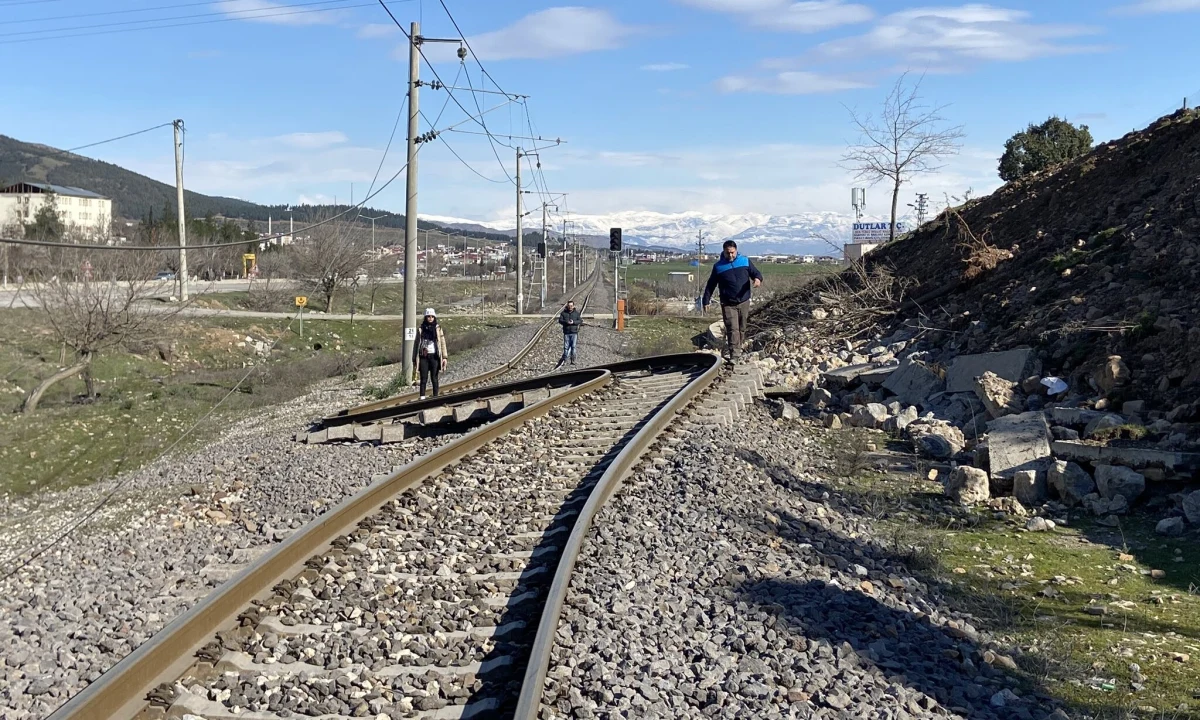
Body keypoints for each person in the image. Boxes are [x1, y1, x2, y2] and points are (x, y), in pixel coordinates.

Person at [701, 239, 763, 361]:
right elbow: (711, 285)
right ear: (723, 252)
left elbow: (756, 273)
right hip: (728, 303)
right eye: (727, 253)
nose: (730, 255)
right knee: (732, 328)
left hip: (744, 300)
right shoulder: (718, 267)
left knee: (741, 327)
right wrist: (706, 300)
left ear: (736, 251)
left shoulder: (744, 261)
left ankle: (738, 349)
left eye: (732, 252)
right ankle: (734, 354)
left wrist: (757, 279)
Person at [413, 307, 448, 399]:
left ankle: (435, 397)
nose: (430, 318)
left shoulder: (438, 329)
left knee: (434, 378)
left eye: (432, 316)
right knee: (423, 378)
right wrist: (414, 359)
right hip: (423, 357)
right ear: (425, 317)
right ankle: (422, 397)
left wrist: (444, 357)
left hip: (435, 356)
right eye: (428, 316)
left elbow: (442, 343)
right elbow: (416, 344)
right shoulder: (421, 329)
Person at [557, 299, 582, 366]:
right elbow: (560, 320)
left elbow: (580, 321)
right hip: (566, 332)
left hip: (574, 332)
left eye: (571, 306)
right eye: (569, 306)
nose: (570, 307)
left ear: (573, 306)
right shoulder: (563, 313)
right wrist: (566, 322)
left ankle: (573, 360)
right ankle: (565, 360)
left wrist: (573, 322)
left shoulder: (576, 313)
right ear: (567, 306)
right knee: (566, 347)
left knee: (573, 347)